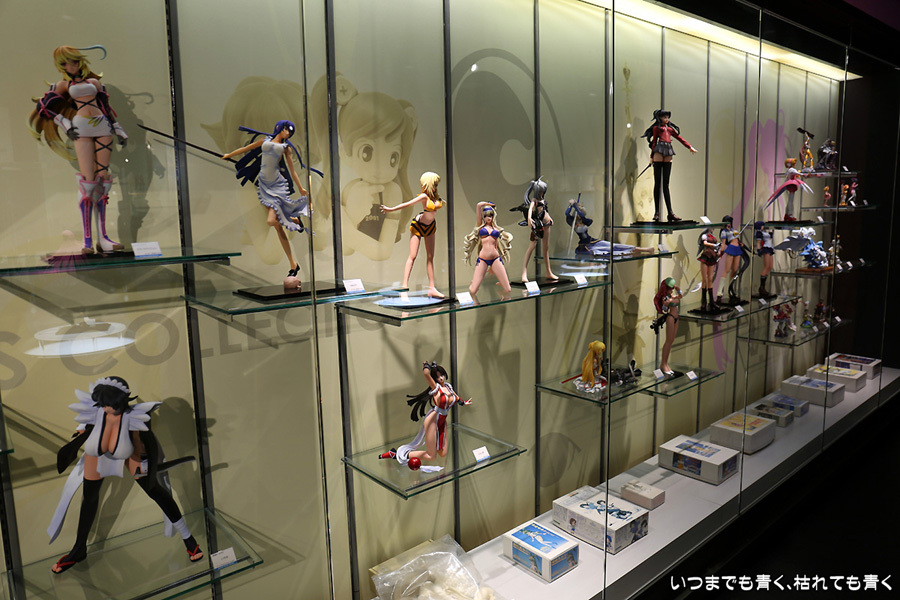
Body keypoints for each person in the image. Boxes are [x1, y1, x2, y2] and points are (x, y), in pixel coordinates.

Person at [48, 377, 202, 574]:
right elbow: (84, 429)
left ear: (120, 400)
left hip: (130, 452)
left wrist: (148, 462)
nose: (105, 408)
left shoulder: (134, 418)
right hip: (97, 454)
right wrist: (77, 437)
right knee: (89, 499)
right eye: (102, 403)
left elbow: (148, 445)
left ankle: (188, 539)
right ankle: (79, 549)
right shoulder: (97, 412)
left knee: (155, 491)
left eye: (109, 403)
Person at [29, 45, 128, 254]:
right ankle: (87, 240)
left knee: (103, 180)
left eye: (74, 61)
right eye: (66, 63)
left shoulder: (94, 83)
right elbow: (43, 107)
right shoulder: (63, 85)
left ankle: (104, 238)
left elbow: (106, 108)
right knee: (88, 183)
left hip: (102, 126)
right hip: (81, 127)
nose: (71, 66)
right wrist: (65, 123)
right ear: (61, 66)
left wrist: (118, 129)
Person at [221, 120, 310, 288]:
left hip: (276, 185)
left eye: (290, 131)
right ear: (280, 128)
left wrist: (300, 188)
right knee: (277, 226)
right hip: (263, 185)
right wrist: (229, 155)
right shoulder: (265, 141)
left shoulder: (286, 148)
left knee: (271, 221)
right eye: (286, 129)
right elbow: (246, 149)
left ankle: (293, 219)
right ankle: (293, 263)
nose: (288, 133)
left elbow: (292, 170)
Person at [378, 362, 471, 471]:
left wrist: (463, 403)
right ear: (434, 378)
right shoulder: (435, 387)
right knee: (432, 456)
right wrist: (426, 366)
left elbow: (456, 398)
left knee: (442, 453)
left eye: (442, 375)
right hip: (433, 421)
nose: (441, 378)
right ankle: (396, 454)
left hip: (443, 421)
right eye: (438, 377)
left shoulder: (448, 387)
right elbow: (426, 374)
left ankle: (405, 454)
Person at [381, 172, 445, 297]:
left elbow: (440, 203)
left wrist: (442, 202)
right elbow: (407, 204)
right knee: (413, 256)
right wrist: (390, 209)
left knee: (430, 257)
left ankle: (432, 288)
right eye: (434, 184)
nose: (436, 187)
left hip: (430, 227)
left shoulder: (435, 198)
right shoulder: (424, 197)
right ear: (427, 184)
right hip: (418, 225)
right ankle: (404, 287)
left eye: (436, 185)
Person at [640, 109, 698, 222]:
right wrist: (651, 157)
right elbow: (654, 142)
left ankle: (670, 213)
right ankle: (657, 212)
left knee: (666, 184)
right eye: (665, 117)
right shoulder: (656, 129)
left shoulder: (670, 130)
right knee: (657, 183)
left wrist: (689, 147)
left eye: (668, 117)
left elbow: (680, 138)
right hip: (658, 150)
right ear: (660, 118)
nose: (667, 119)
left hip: (668, 150)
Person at [565, 200, 653, 257]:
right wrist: (570, 205)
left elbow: (581, 216)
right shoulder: (573, 223)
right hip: (585, 246)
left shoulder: (586, 221)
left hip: (593, 242)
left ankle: (644, 249)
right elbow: (567, 214)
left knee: (614, 246)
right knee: (609, 252)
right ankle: (635, 253)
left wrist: (575, 206)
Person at [512, 177, 558, 282]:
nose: (542, 192)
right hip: (538, 226)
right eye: (541, 190)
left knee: (546, 249)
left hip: (546, 224)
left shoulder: (543, 200)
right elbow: (530, 210)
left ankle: (548, 272)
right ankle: (524, 273)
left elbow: (545, 211)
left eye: (543, 191)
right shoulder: (534, 200)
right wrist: (529, 218)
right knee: (531, 247)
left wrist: (550, 218)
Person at [462, 202, 513, 297]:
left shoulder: (496, 229)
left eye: (490, 215)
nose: (488, 218)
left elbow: (496, 245)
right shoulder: (480, 226)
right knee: (473, 291)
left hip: (495, 259)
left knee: (508, 289)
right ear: (483, 217)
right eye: (485, 216)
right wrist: (488, 204)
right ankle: (473, 283)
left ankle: (502, 287)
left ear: (493, 216)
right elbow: (478, 205)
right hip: (483, 260)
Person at [650, 278, 682, 377]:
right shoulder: (666, 298)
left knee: (671, 341)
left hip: (676, 317)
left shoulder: (670, 296)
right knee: (668, 341)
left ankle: (666, 364)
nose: (671, 290)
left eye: (672, 288)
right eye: (670, 288)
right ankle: (663, 364)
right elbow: (665, 308)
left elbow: (680, 296)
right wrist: (666, 304)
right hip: (671, 318)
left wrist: (678, 289)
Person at [696, 227, 721, 312]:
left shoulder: (713, 237)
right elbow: (705, 243)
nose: (713, 229)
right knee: (704, 279)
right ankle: (703, 302)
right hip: (705, 256)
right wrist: (714, 245)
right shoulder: (704, 235)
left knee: (710, 279)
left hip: (712, 256)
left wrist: (717, 249)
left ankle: (711, 301)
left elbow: (715, 246)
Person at [755, 221, 776, 298]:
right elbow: (758, 242)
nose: (763, 227)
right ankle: (761, 287)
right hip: (766, 248)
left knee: (770, 266)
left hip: (770, 248)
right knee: (766, 266)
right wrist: (758, 250)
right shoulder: (759, 233)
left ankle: (763, 286)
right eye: (762, 225)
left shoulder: (764, 232)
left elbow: (770, 238)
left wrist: (770, 231)